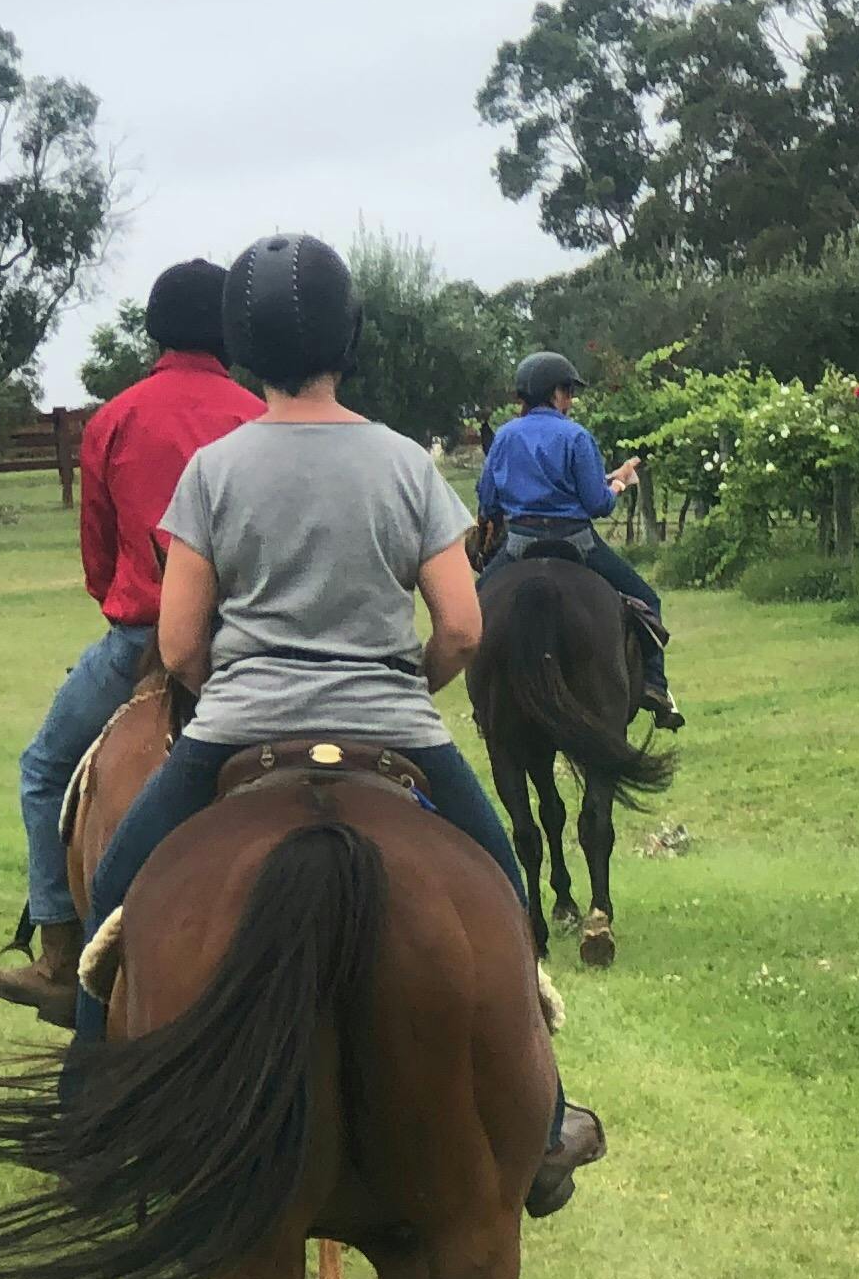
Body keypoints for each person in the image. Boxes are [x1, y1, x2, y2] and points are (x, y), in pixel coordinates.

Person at [69, 233, 605, 1215]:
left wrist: (232, 677)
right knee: (505, 894)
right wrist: (406, 683)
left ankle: (84, 1112)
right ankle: (546, 1122)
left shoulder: (215, 473)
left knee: (114, 895)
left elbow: (181, 646)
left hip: (237, 730)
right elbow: (462, 626)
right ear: (350, 339)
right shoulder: (404, 464)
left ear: (241, 349)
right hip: (392, 728)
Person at [0, 259, 256, 1017]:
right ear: (230, 330)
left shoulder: (117, 416)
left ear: (155, 329)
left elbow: (99, 561)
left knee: (42, 769)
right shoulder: (256, 415)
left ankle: (61, 959)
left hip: (142, 638)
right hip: (251, 649)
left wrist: (135, 610)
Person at [478, 351, 675, 724]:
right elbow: (596, 504)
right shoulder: (576, 436)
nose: (570, 400)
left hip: (519, 543)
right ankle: (655, 685)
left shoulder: (504, 437)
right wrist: (619, 483)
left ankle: (482, 697)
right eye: (568, 392)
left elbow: (488, 499)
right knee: (648, 600)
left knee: (473, 610)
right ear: (555, 393)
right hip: (576, 543)